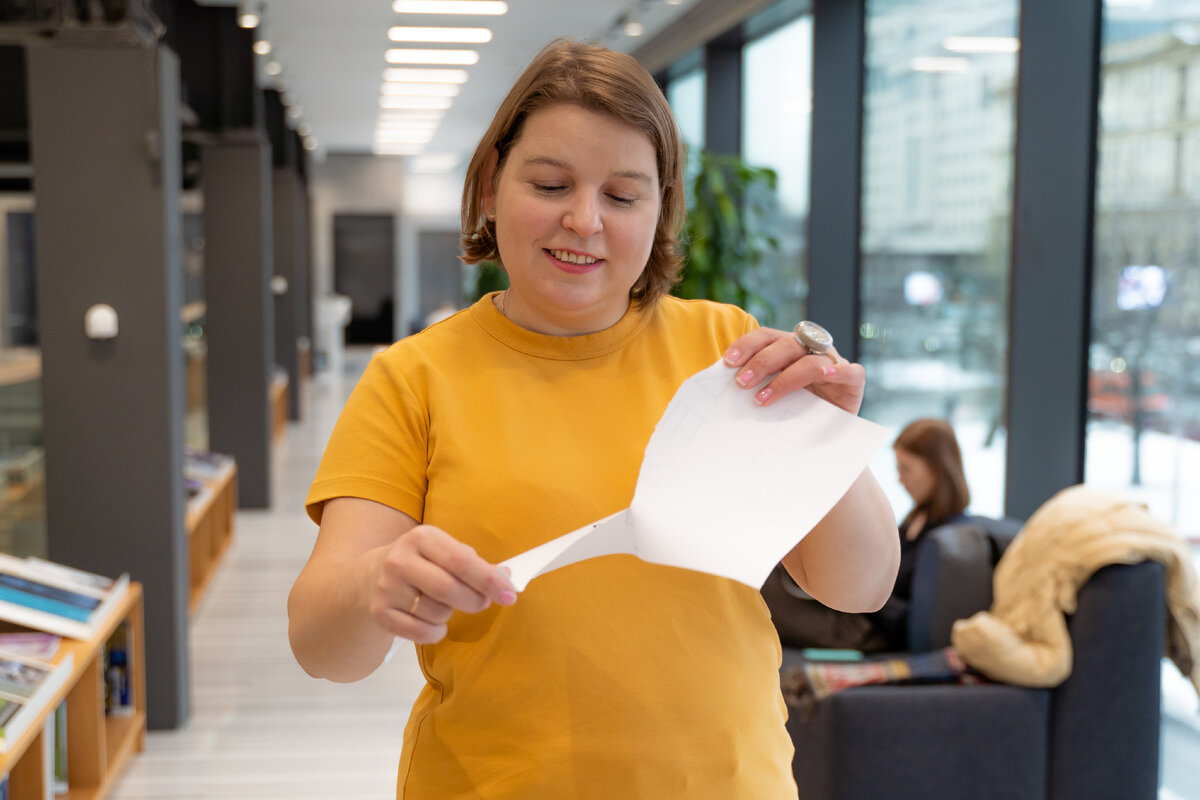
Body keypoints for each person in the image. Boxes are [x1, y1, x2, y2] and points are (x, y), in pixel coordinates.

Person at [287, 38, 899, 799]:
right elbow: (323, 648)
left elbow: (860, 587)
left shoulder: (729, 352)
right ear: (488, 186)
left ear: (660, 210)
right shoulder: (414, 379)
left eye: (621, 195)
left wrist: (831, 443)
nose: (583, 220)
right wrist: (377, 584)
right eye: (550, 184)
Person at [867, 417, 971, 650]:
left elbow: (918, 621)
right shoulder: (915, 520)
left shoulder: (949, 541)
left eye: (906, 469)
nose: (900, 479)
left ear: (937, 468)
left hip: (879, 632)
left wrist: (867, 592)